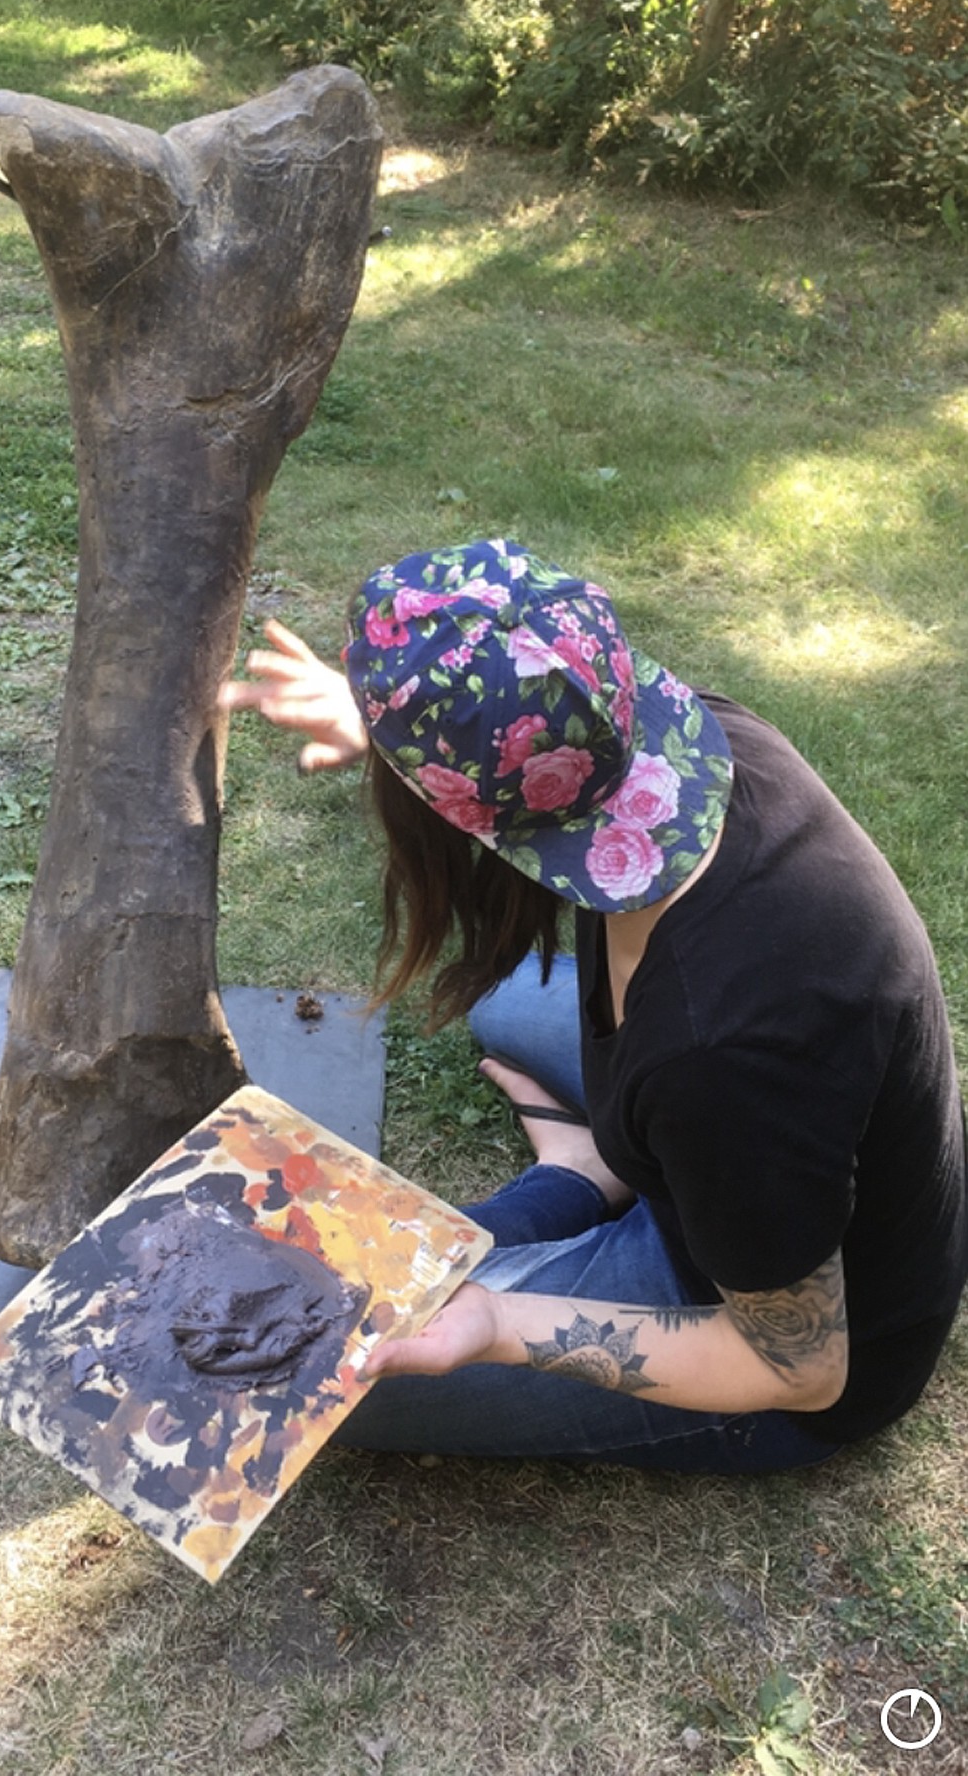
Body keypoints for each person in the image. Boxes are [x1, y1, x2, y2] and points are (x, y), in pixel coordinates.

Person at [220, 539, 967, 1473]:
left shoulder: (718, 1055)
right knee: (507, 1011)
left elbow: (801, 1368)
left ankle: (576, 1184)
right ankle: (601, 1163)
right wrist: (398, 727)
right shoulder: (692, 743)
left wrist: (497, 1323)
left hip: (778, 1345)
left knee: (318, 1368)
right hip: (743, 1155)